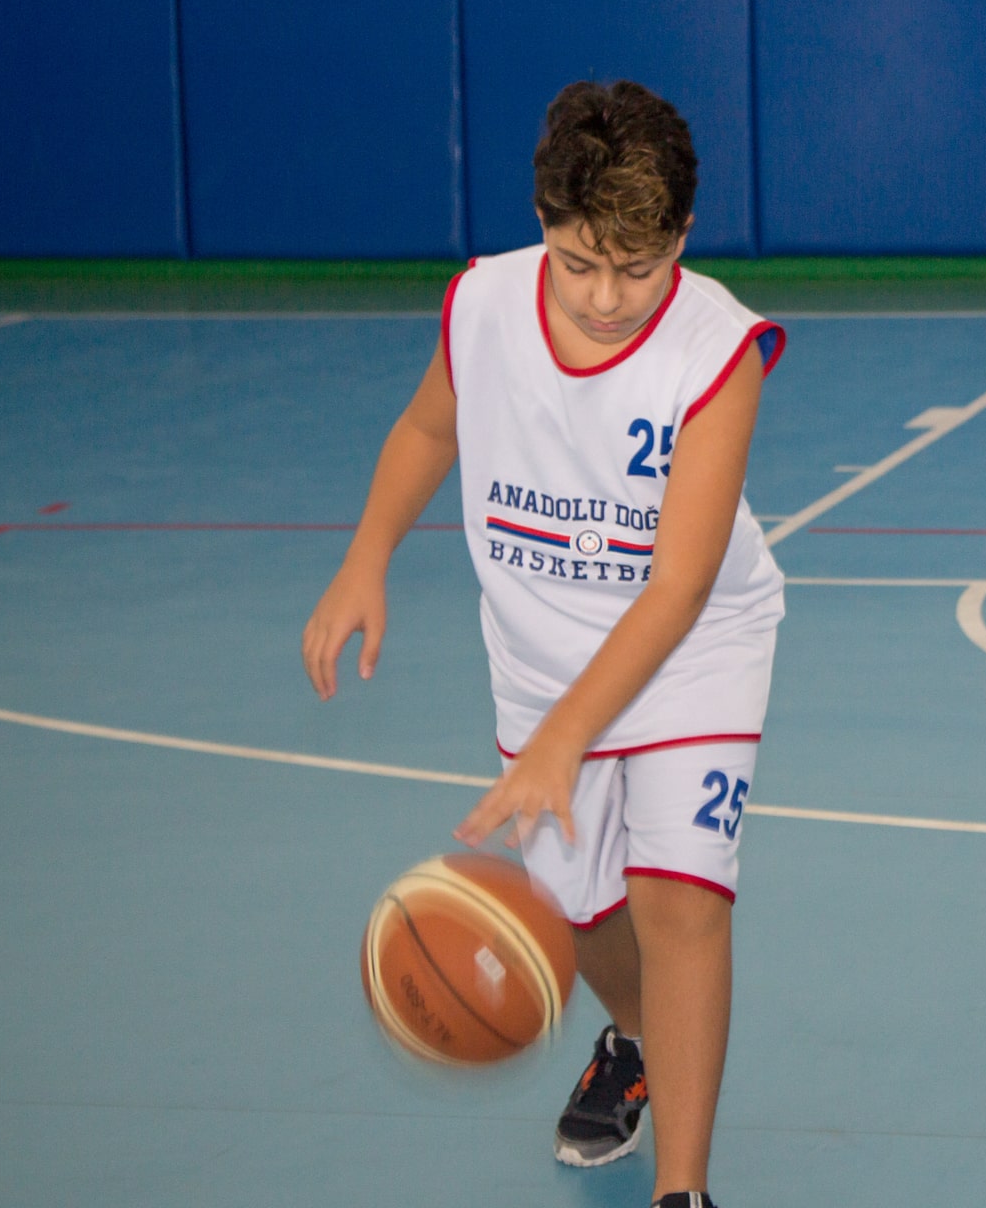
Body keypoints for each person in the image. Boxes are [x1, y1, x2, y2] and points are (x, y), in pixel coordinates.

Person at [303, 80, 785, 1205]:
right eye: (579, 264)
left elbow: (679, 585)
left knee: (680, 901)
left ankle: (683, 1188)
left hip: (694, 648)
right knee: (583, 910)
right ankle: (637, 1041)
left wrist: (570, 737)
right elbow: (429, 427)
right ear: (542, 224)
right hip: (539, 651)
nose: (608, 297)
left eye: (639, 268)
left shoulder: (716, 352)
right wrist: (366, 556)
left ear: (683, 238)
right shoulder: (483, 306)